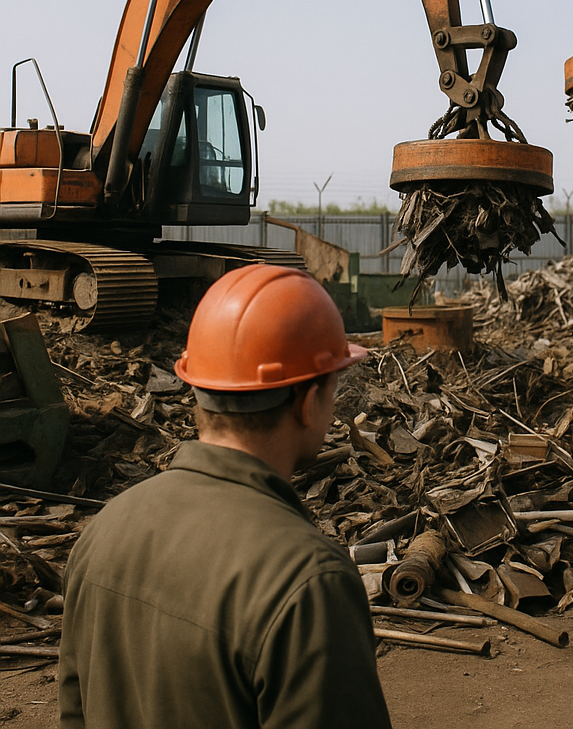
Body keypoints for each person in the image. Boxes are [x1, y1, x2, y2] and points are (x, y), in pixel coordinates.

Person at [58, 264, 392, 729]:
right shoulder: (308, 582)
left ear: (200, 388)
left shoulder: (105, 531)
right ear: (308, 402)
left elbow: (76, 712)